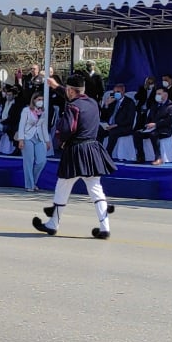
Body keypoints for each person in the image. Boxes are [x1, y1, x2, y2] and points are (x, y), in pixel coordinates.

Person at [33, 74, 117, 239]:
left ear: (71, 90)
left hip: (76, 150)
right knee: (96, 189)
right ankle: (105, 227)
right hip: (92, 149)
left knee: (63, 187)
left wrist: (60, 139)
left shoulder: (73, 107)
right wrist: (56, 86)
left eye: (68, 90)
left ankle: (53, 224)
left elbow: (67, 129)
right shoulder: (92, 103)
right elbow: (74, 98)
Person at [15, 92, 51, 192]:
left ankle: (32, 181)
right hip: (27, 137)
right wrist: (21, 139)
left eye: (42, 100)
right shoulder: (26, 110)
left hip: (39, 137)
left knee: (41, 161)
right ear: (34, 100)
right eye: (38, 99)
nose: (40, 101)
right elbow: (21, 125)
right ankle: (29, 185)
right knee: (28, 162)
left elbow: (43, 127)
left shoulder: (43, 111)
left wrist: (47, 140)